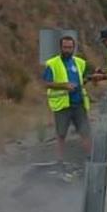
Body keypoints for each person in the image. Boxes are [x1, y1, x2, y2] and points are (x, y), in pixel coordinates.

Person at [42, 35, 92, 163]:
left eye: (70, 47)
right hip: (62, 105)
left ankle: (90, 158)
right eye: (65, 47)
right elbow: (46, 83)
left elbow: (85, 78)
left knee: (85, 132)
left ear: (74, 48)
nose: (67, 50)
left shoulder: (80, 63)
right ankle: (60, 161)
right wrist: (64, 86)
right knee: (61, 134)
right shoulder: (52, 64)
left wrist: (90, 79)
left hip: (79, 103)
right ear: (60, 48)